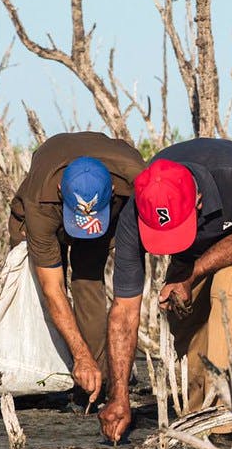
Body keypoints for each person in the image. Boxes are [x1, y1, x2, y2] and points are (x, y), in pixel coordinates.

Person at [99, 138, 232, 443]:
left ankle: (223, 413)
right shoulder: (134, 215)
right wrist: (118, 395)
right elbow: (124, 311)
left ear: (198, 200)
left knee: (228, 293)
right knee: (182, 311)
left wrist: (191, 275)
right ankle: (196, 410)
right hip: (203, 235)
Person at [9, 131, 145, 405]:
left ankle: (96, 382)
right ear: (61, 190)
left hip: (107, 210)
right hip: (48, 211)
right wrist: (79, 355)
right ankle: (46, 369)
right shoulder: (41, 201)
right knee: (33, 284)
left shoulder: (135, 180)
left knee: (88, 281)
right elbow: (53, 288)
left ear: (113, 193)